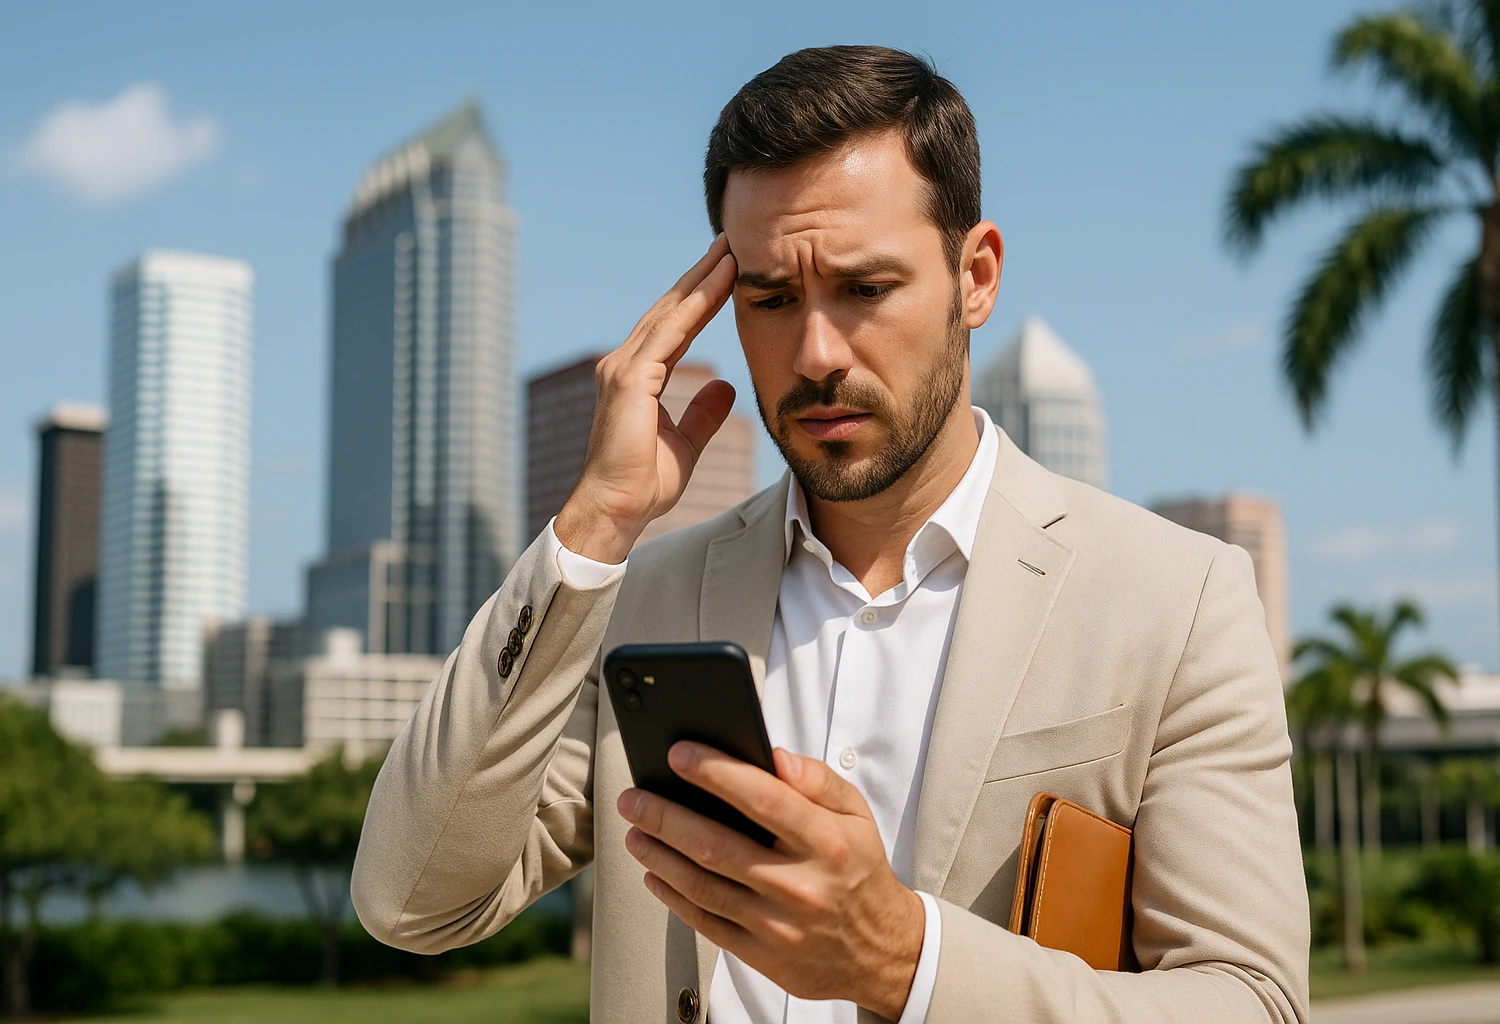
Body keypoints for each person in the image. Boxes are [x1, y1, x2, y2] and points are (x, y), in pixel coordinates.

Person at [352, 45, 1309, 1024]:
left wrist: (904, 960)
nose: (814, 353)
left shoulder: (1178, 599)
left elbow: (1252, 1000)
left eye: (864, 289)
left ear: (975, 277)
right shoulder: (641, 598)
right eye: (769, 298)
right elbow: (411, 898)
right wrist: (596, 519)